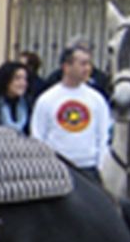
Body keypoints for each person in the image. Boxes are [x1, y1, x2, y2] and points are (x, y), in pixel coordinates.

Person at [30, 43, 112, 179]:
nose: (88, 68)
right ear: (66, 67)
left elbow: (103, 136)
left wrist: (100, 167)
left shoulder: (97, 99)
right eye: (83, 64)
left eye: (89, 64)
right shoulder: (46, 99)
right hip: (57, 169)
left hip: (88, 168)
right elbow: (38, 136)